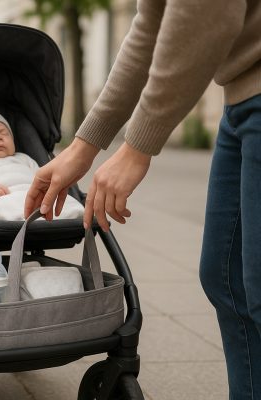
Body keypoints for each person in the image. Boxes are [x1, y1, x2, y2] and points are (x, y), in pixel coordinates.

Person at [24, 1, 261, 398]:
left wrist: (137, 147)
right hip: (241, 103)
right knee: (227, 280)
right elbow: (151, 25)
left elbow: (206, 15)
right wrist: (83, 148)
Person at [0, 110, 83, 221]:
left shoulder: (23, 158)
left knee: (64, 203)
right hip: (3, 197)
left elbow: (42, 175)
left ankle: (70, 213)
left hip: (33, 194)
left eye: (4, 133)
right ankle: (28, 218)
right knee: (1, 208)